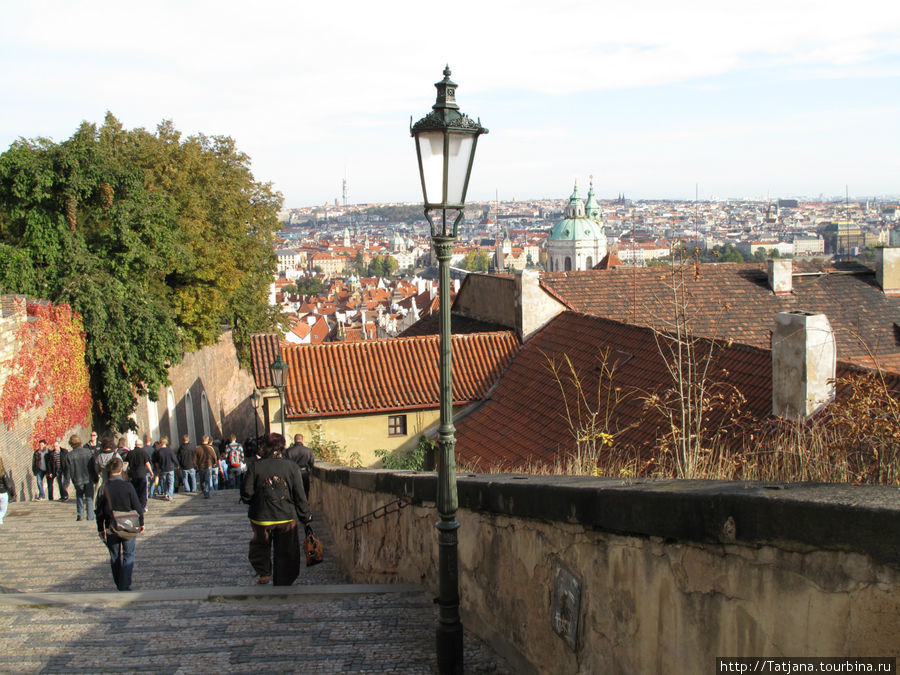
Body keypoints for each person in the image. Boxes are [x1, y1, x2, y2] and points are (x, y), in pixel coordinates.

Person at [240, 433, 311, 586]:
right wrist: (305, 515)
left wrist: (255, 502)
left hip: (261, 516)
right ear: (282, 446)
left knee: (260, 545)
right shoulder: (291, 467)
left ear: (265, 447)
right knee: (287, 549)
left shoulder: (255, 467)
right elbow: (300, 494)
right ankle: (283, 579)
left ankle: (264, 572)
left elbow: (246, 493)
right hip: (286, 516)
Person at [96, 457, 144, 591]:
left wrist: (101, 528)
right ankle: (125, 583)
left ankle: (119, 582)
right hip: (129, 524)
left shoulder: (103, 488)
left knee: (115, 555)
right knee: (129, 554)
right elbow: (138, 507)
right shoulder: (128, 486)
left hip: (111, 526)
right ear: (121, 470)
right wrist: (141, 523)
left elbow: (99, 511)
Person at [65, 435, 95, 521]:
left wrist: (66, 483)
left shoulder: (69, 455)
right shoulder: (88, 452)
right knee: (89, 498)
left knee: (79, 496)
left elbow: (68, 471)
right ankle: (90, 516)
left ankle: (80, 514)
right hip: (88, 478)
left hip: (77, 479)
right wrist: (95, 477)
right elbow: (92, 466)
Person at [125, 438, 154, 513]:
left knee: (135, 491)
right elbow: (147, 463)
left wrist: (126, 474)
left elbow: (126, 464)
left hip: (132, 475)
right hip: (142, 474)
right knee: (143, 492)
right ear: (141, 445)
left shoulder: (130, 453)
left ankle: (135, 506)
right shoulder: (143, 452)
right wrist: (151, 472)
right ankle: (142, 507)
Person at [285, 433, 315, 499]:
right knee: (305, 491)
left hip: (292, 473)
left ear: (294, 440)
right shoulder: (308, 451)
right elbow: (312, 463)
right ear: (302, 440)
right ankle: (305, 506)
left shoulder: (288, 451)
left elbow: (286, 463)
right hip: (304, 473)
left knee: (294, 492)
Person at [93, 437, 120, 502]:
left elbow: (96, 469)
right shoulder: (116, 455)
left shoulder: (99, 457)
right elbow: (122, 467)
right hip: (114, 481)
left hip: (104, 482)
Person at [154, 437, 179, 501]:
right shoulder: (170, 450)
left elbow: (156, 461)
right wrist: (177, 465)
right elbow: (174, 459)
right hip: (170, 468)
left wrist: (158, 468)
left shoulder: (159, 452)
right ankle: (170, 495)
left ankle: (166, 493)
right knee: (171, 482)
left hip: (163, 469)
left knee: (164, 482)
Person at [0, 454, 10, 525]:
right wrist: (12, 493)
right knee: (3, 510)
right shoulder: (2, 472)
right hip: (3, 493)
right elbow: (8, 484)